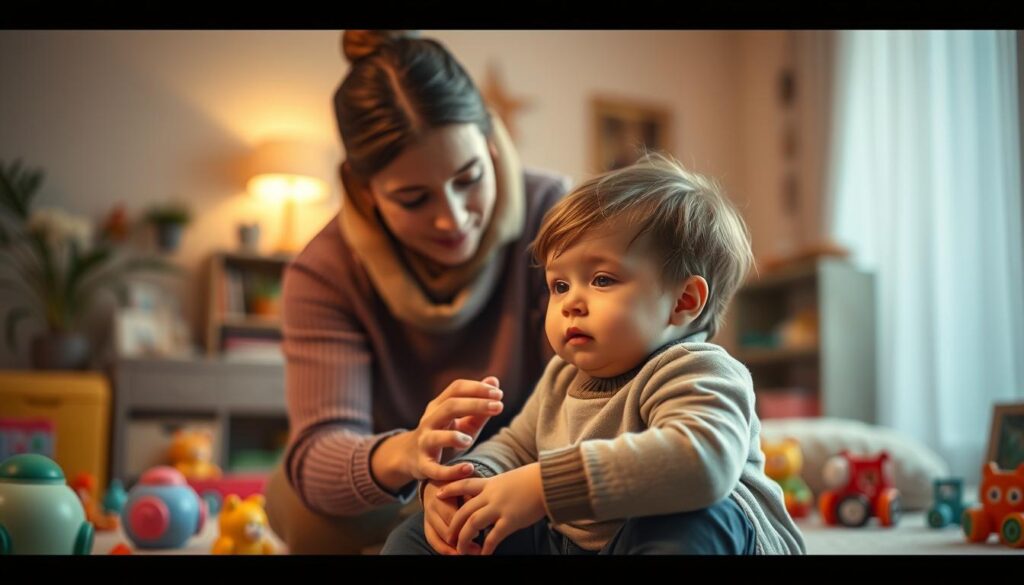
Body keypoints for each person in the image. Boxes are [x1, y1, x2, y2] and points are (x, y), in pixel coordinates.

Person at [381, 154, 807, 555]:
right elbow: (515, 447)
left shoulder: (699, 369)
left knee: (687, 521)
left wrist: (545, 487)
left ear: (683, 301)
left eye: (602, 279)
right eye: (559, 285)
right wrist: (468, 484)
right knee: (432, 532)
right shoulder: (561, 377)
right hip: (584, 540)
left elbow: (701, 461)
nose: (571, 303)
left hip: (714, 530)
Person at [263, 30, 571, 554]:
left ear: (492, 144)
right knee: (296, 506)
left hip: (532, 464)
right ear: (365, 191)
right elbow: (318, 453)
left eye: (469, 178)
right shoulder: (324, 272)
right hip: (401, 484)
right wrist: (412, 454)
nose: (452, 218)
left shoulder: (557, 217)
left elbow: (592, 396)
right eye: (413, 198)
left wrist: (496, 478)